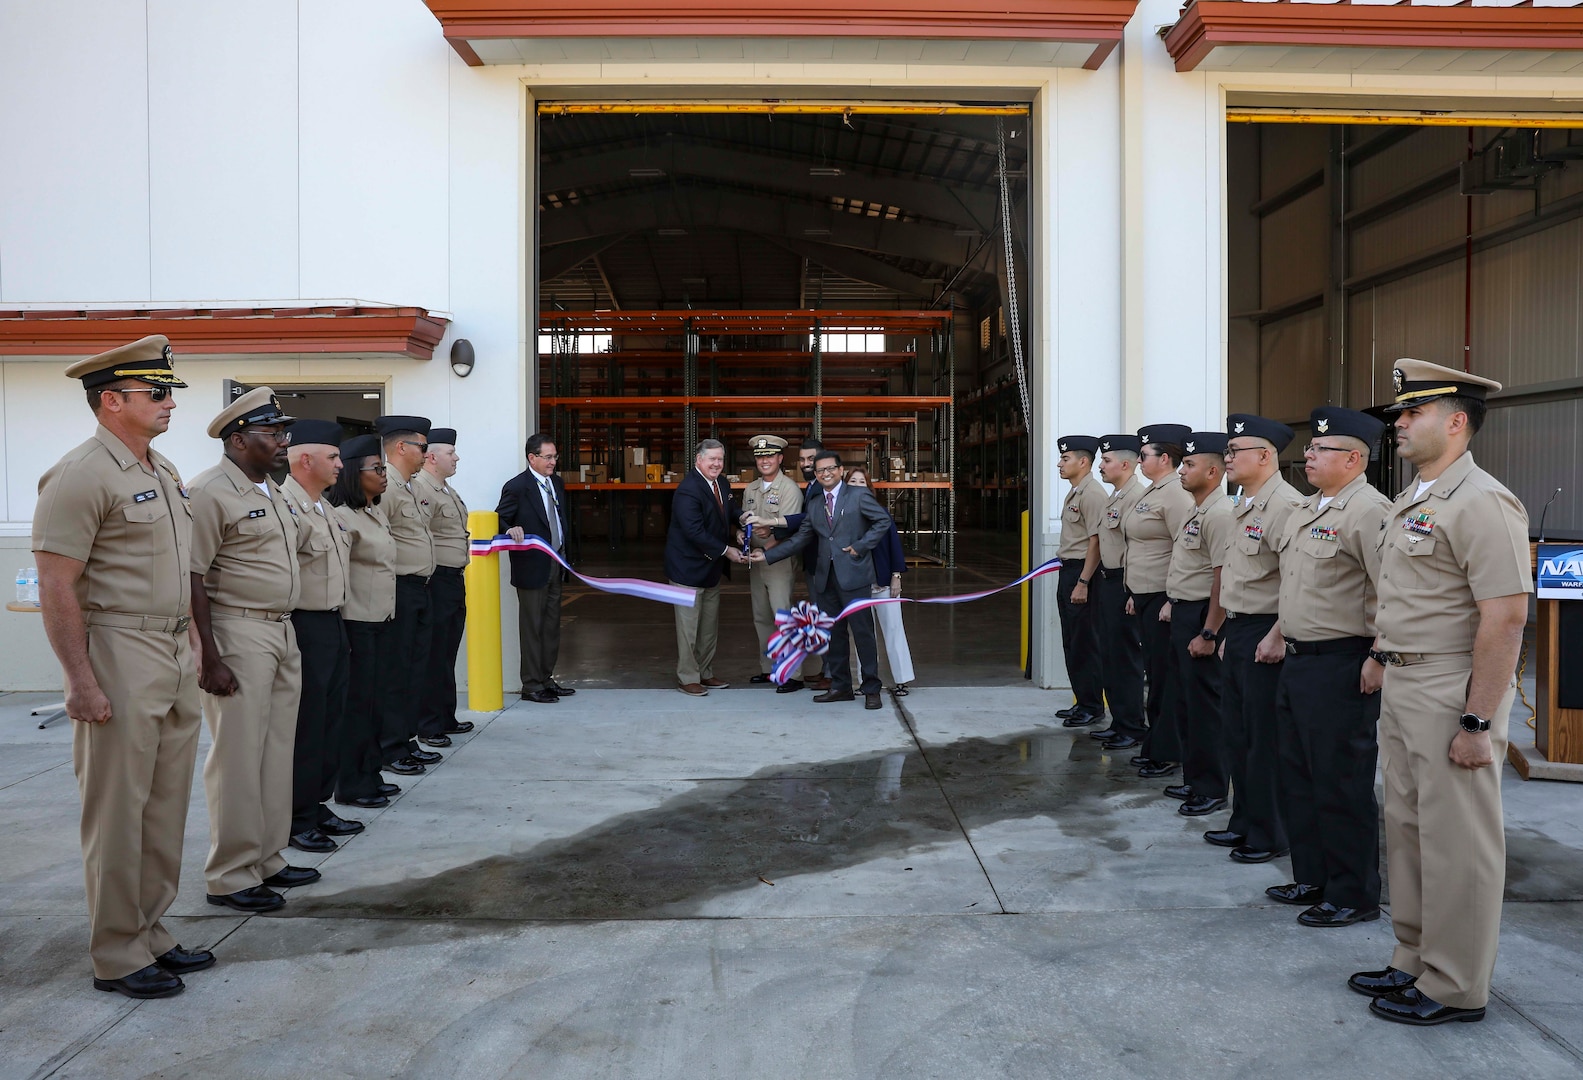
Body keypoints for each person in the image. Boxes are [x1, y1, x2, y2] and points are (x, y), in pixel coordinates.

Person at [1349, 359, 1531, 1027]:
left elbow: (1505, 616)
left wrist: (1477, 721)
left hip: (1451, 685)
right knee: (1407, 829)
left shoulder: (1481, 501)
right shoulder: (1415, 498)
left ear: (1454, 422)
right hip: (1404, 681)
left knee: (1456, 842)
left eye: (1410, 413)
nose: (1396, 423)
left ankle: (1455, 985)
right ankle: (1413, 957)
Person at [33, 335, 212, 999]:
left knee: (164, 806)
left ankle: (150, 929)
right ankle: (115, 951)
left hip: (169, 651)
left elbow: (177, 572)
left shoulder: (160, 471)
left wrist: (192, 640)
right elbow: (57, 584)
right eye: (156, 393)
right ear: (112, 401)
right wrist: (79, 681)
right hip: (118, 649)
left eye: (169, 392)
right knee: (117, 810)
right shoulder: (81, 474)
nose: (169, 403)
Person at [1264, 407, 1391, 928]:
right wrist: (1277, 632)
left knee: (1341, 781)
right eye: (1310, 449)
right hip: (1299, 660)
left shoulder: (1370, 512)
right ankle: (1312, 875)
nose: (1308, 456)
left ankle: (1353, 892)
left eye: (1320, 450)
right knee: (1297, 775)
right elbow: (1293, 582)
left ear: (1354, 458)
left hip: (1342, 663)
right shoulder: (1309, 508)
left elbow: (1394, 591)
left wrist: (1379, 657)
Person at [189, 387, 315, 913]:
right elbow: (192, 576)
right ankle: (230, 873)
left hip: (281, 631)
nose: (283, 442)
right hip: (237, 634)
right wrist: (208, 655)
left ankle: (266, 856)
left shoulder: (271, 489)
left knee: (275, 750)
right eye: (273, 434)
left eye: (283, 432)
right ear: (239, 440)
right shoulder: (208, 491)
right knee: (238, 758)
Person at [1212, 414, 1302, 865]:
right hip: (1242, 627)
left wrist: (1276, 635)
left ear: (1265, 456)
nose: (1227, 458)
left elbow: (1295, 578)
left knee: (1264, 738)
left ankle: (1270, 832)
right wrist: (1229, 629)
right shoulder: (1246, 503)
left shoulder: (1285, 504)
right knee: (1238, 732)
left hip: (1268, 629)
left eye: (1235, 452)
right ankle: (1244, 820)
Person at [279, 419, 362, 854]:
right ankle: (296, 816)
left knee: (332, 720)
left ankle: (318, 803)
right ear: (305, 460)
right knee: (307, 725)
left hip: (333, 622)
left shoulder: (324, 507)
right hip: (303, 625)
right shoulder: (284, 506)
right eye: (332, 457)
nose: (339, 464)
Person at [758, 449, 891, 709]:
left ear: (840, 470)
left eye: (830, 469)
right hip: (825, 579)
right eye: (820, 471)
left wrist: (861, 546)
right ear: (815, 475)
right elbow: (801, 538)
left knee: (863, 633)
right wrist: (766, 555)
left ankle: (871, 687)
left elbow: (882, 521)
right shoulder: (816, 503)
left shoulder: (858, 495)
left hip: (854, 576)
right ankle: (841, 687)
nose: (826, 473)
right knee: (833, 635)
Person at [325, 435, 401, 810]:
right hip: (357, 621)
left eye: (384, 468)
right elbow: (338, 574)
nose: (384, 474)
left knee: (377, 702)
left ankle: (370, 772)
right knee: (357, 706)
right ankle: (352, 783)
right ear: (356, 474)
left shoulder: (374, 512)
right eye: (377, 469)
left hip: (381, 618)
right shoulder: (341, 517)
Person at [1162, 432, 1233, 819]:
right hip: (1185, 611)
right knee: (1187, 702)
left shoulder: (1220, 514)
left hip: (1205, 615)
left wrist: (1209, 632)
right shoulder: (1196, 508)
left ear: (1212, 471)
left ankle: (1211, 787)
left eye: (1188, 465)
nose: (1182, 471)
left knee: (1207, 707)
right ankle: (1194, 777)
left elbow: (1221, 577)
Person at [1122, 424, 1195, 777]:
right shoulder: (1153, 491)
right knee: (1155, 672)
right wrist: (1136, 593)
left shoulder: (1176, 495)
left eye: (1144, 455)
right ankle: (1156, 743)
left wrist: (1170, 598)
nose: (1138, 461)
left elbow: (1184, 549)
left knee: (1165, 679)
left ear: (1165, 458)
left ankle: (1168, 751)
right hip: (1146, 595)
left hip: (1164, 598)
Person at [373, 415, 439, 775]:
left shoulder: (410, 486)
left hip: (420, 588)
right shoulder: (385, 486)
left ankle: (406, 740)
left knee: (415, 670)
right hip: (398, 588)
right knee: (396, 673)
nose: (426, 455)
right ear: (401, 447)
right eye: (423, 447)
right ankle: (391, 747)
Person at [664, 439, 748, 696]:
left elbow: (729, 510)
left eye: (720, 459)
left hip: (710, 570)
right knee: (688, 629)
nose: (716, 464)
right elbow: (694, 531)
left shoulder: (721, 483)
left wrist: (742, 519)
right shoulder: (688, 489)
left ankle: (705, 672)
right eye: (711, 459)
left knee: (708, 628)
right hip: (687, 570)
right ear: (698, 460)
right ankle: (687, 677)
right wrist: (726, 550)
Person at [496, 433, 574, 704]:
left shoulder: (556, 484)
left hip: (556, 562)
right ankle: (531, 685)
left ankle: (546, 678)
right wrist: (510, 528)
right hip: (532, 566)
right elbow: (500, 519)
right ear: (532, 458)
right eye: (548, 457)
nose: (553, 461)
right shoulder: (517, 487)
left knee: (552, 626)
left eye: (555, 456)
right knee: (532, 627)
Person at [414, 427, 474, 743]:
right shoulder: (422, 488)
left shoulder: (445, 489)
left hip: (453, 580)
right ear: (433, 457)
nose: (457, 457)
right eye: (451, 453)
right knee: (434, 654)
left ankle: (445, 716)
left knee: (447, 652)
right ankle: (428, 723)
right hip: (436, 581)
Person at [1089, 435, 1148, 750]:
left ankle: (1133, 726)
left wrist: (1131, 592)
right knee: (1110, 656)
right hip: (1108, 581)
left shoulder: (1137, 497)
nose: (1101, 465)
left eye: (1107, 460)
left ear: (1126, 464)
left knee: (1125, 658)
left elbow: (1137, 549)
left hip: (1126, 582)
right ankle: (1120, 721)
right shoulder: (1115, 496)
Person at [739, 434, 808, 692]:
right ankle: (769, 669)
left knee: (782, 617)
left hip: (778, 561)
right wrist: (740, 536)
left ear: (780, 458)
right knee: (761, 617)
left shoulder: (789, 489)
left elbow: (789, 530)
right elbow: (746, 523)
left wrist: (766, 549)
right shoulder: (751, 489)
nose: (764, 460)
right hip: (756, 560)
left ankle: (794, 674)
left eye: (769, 456)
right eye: (760, 456)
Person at [845, 467, 915, 694]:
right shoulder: (842, 516)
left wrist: (896, 576)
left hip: (884, 582)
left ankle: (902, 679)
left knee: (894, 629)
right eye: (852, 481)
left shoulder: (881, 513)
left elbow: (894, 546)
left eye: (861, 482)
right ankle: (866, 681)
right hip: (858, 585)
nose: (857, 485)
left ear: (868, 488)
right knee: (864, 636)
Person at [1053, 436, 1107, 727]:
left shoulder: (1092, 494)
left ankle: (1092, 706)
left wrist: (1084, 581)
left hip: (1083, 574)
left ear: (1083, 462)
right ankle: (1082, 701)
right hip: (1069, 570)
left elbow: (1097, 541)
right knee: (1072, 641)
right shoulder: (1075, 492)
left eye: (1065, 459)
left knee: (1085, 641)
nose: (1059, 464)